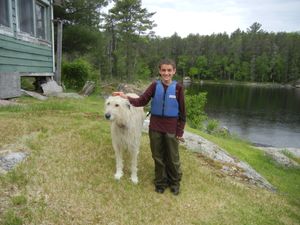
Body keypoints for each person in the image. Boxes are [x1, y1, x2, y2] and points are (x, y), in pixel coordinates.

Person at [113, 58, 186, 195]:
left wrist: (180, 130)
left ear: (174, 71)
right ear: (160, 71)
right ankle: (160, 182)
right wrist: (125, 97)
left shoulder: (178, 88)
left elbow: (183, 112)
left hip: (171, 128)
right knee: (157, 156)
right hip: (156, 127)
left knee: (172, 157)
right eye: (163, 70)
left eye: (169, 70)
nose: (166, 73)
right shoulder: (154, 86)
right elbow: (141, 101)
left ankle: (174, 182)